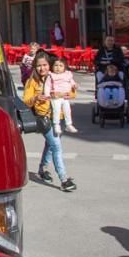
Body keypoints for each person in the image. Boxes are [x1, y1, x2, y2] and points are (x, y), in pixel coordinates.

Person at [23, 52, 76, 192]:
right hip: (44, 119)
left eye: (45, 65)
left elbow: (72, 93)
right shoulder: (32, 81)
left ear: (49, 65)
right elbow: (26, 101)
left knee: (50, 145)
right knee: (56, 146)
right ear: (35, 67)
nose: (42, 68)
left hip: (60, 118)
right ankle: (64, 179)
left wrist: (66, 93)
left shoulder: (56, 77)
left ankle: (43, 168)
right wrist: (36, 98)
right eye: (39, 66)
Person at [45, 58, 78, 135]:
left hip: (65, 96)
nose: (58, 67)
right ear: (52, 67)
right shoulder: (51, 76)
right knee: (57, 110)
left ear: (64, 67)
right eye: (56, 65)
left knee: (67, 110)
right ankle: (56, 124)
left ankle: (68, 124)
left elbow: (72, 82)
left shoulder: (67, 75)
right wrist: (47, 95)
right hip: (56, 96)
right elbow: (47, 86)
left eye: (60, 66)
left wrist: (74, 85)